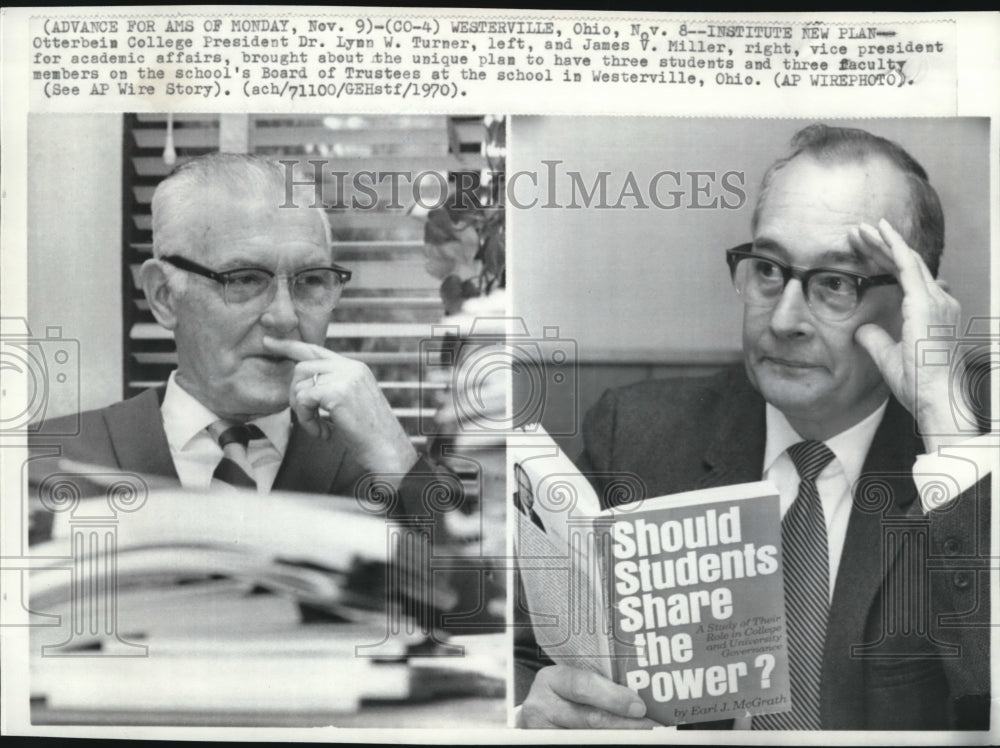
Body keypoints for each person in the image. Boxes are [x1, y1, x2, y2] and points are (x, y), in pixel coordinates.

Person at [515, 125, 992, 730]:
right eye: (769, 269)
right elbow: (527, 656)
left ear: (916, 305)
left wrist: (945, 430)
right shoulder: (636, 434)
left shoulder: (973, 466)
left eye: (837, 283)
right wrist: (540, 708)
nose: (785, 318)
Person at [28, 153, 450, 538]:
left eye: (311, 281)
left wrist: (398, 461)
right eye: (244, 279)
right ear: (162, 295)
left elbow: (474, 614)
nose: (284, 317)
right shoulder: (47, 460)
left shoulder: (378, 468)